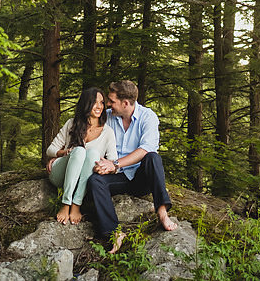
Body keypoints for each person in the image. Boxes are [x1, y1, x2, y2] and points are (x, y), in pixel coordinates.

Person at [87, 79, 177, 252]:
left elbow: (145, 149)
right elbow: (86, 134)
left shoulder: (148, 117)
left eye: (112, 101)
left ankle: (162, 212)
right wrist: (62, 153)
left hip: (139, 178)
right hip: (116, 176)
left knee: (153, 157)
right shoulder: (108, 117)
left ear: (125, 103)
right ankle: (114, 233)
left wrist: (115, 164)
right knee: (94, 181)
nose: (108, 104)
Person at [45, 86, 117, 224]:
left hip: (84, 178)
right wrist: (64, 153)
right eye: (94, 102)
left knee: (93, 153)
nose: (99, 106)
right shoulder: (72, 123)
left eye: (102, 102)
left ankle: (76, 205)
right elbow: (50, 149)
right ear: (85, 104)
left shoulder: (108, 132)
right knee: (78, 151)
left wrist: (101, 167)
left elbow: (112, 162)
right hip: (61, 175)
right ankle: (66, 204)